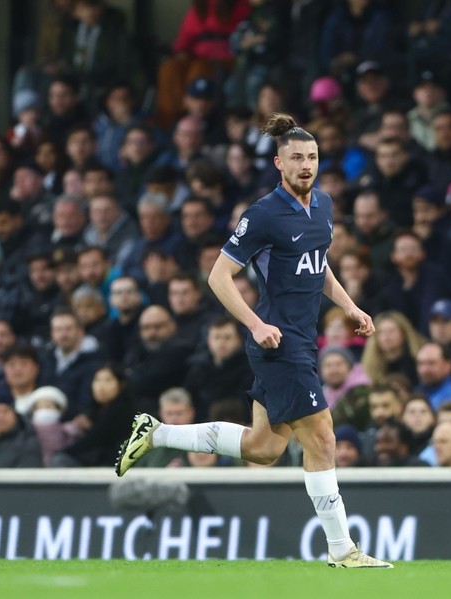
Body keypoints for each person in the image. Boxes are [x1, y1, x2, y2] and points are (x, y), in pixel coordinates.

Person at [115, 113, 392, 568]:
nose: (306, 164)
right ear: (280, 164)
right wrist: (254, 324)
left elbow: (317, 265)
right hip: (278, 342)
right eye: (297, 157)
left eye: (313, 157)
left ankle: (158, 432)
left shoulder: (322, 205)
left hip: (303, 339)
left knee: (265, 449)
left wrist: (349, 306)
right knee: (322, 438)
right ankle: (343, 550)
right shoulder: (263, 214)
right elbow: (218, 276)